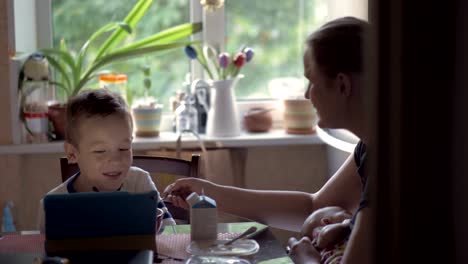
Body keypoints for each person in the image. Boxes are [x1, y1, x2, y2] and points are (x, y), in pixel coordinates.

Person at [163, 16, 371, 263]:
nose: (306, 94)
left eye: (311, 81)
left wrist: (304, 258)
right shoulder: (369, 148)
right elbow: (314, 207)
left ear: (342, 85)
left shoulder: (393, 165)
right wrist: (212, 193)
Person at [37, 89, 176, 232]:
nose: (116, 161)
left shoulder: (140, 182)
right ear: (72, 153)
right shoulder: (52, 206)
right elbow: (46, 252)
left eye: (124, 148)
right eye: (100, 151)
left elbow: (169, 232)